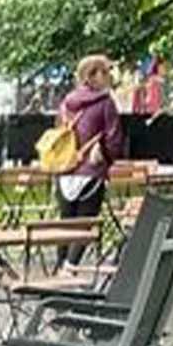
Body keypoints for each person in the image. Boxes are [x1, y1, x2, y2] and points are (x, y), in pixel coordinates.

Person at [52, 54, 124, 269]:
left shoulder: (66, 103)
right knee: (86, 223)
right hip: (91, 171)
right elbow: (114, 137)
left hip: (66, 170)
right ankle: (71, 267)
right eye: (106, 72)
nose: (109, 77)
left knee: (66, 223)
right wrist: (108, 157)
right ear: (94, 75)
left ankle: (59, 266)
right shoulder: (105, 103)